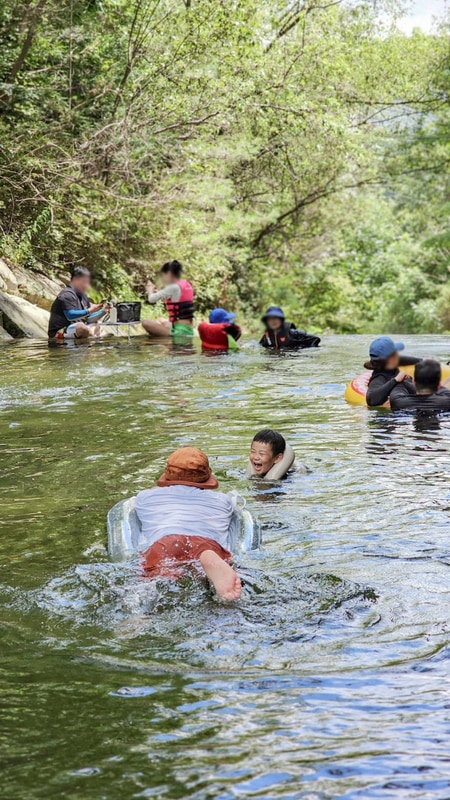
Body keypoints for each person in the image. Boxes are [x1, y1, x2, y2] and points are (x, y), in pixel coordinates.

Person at [135, 447, 241, 601]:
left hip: (165, 541)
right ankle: (209, 565)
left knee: (153, 579)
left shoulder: (145, 498)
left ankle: (141, 615)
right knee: (200, 567)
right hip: (207, 543)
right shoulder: (222, 501)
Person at [48, 266, 106, 340]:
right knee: (81, 327)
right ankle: (91, 336)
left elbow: (89, 318)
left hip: (75, 330)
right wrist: (90, 310)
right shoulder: (67, 294)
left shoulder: (83, 296)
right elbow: (70, 315)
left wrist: (104, 311)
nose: (86, 285)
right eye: (84, 282)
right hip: (59, 332)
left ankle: (91, 340)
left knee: (100, 325)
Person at [142, 260, 194, 339]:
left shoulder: (173, 287)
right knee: (160, 320)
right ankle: (167, 340)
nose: (163, 279)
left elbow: (151, 299)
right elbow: (176, 298)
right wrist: (159, 292)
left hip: (179, 332)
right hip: (188, 329)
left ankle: (168, 342)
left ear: (169, 274)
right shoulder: (187, 284)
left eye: (164, 275)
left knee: (145, 323)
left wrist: (149, 289)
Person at [365, 337, 421, 407]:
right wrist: (396, 380)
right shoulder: (379, 378)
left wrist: (424, 361)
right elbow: (371, 399)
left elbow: (403, 360)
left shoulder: (389, 365)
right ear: (390, 359)